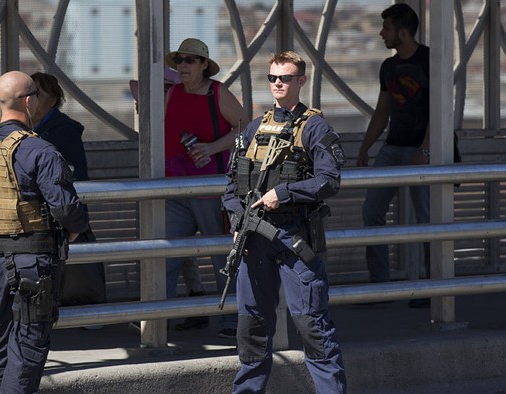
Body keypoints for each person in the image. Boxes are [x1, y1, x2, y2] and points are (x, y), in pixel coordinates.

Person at [0, 71, 88, 393]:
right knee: (28, 344)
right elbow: (66, 209)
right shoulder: (40, 150)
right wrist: (74, 231)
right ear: (29, 101)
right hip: (34, 263)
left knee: (0, 338)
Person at [222, 51, 347, 393]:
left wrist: (285, 193)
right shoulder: (254, 127)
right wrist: (237, 217)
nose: (278, 84)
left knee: (312, 327)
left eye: (286, 78)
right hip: (255, 239)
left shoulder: (315, 127)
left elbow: (329, 180)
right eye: (273, 78)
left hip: (295, 238)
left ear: (301, 81)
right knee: (251, 328)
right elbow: (232, 184)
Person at [164, 38, 247, 338]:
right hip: (175, 186)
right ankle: (160, 317)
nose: (183, 66)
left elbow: (245, 129)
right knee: (166, 254)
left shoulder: (217, 92)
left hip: (213, 186)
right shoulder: (172, 92)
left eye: (190, 60)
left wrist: (212, 148)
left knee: (221, 255)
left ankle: (232, 319)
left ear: (203, 66)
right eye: (180, 60)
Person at [356, 4, 431, 308]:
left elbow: (441, 110)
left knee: (428, 218)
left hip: (421, 148)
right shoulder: (388, 67)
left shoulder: (429, 60)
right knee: (371, 210)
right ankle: (379, 286)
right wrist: (365, 147)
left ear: (402, 31)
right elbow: (383, 111)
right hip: (393, 146)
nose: (381, 33)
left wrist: (426, 150)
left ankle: (432, 287)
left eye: (386, 28)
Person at [130, 67, 207, 307]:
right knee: (175, 254)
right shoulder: (155, 116)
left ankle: (163, 310)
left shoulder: (182, 113)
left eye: (164, 89)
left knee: (173, 251)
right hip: (169, 186)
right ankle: (176, 306)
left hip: (186, 186)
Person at [30, 72, 106, 310]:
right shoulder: (27, 127)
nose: (31, 99)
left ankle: (88, 310)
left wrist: (75, 219)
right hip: (39, 213)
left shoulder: (64, 130)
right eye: (29, 93)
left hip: (62, 210)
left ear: (52, 100)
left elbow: (76, 174)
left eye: (37, 93)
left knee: (75, 267)